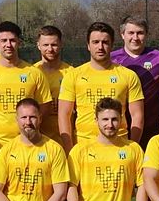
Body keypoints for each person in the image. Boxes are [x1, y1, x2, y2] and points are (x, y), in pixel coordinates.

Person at [58, 22, 145, 152]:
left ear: (112, 45)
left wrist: (132, 147)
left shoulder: (128, 76)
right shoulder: (73, 76)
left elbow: (137, 115)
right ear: (88, 45)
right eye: (95, 42)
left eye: (105, 42)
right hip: (83, 146)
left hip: (119, 147)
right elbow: (64, 115)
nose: (100, 47)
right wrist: (69, 149)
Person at [0, 21, 52, 158]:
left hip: (27, 144)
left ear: (19, 43)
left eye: (12, 40)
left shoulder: (34, 73)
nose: (8, 45)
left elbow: (44, 106)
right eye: (4, 41)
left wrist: (28, 130)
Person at [111, 16, 159, 149]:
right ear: (122, 34)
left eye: (140, 33)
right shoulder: (112, 59)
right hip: (116, 130)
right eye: (131, 33)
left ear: (146, 34)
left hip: (152, 130)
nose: (135, 37)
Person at [33, 25, 73, 143]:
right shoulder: (32, 72)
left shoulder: (71, 73)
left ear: (61, 45)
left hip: (65, 139)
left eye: (54, 45)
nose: (50, 49)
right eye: (45, 45)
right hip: (38, 140)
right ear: (38, 45)